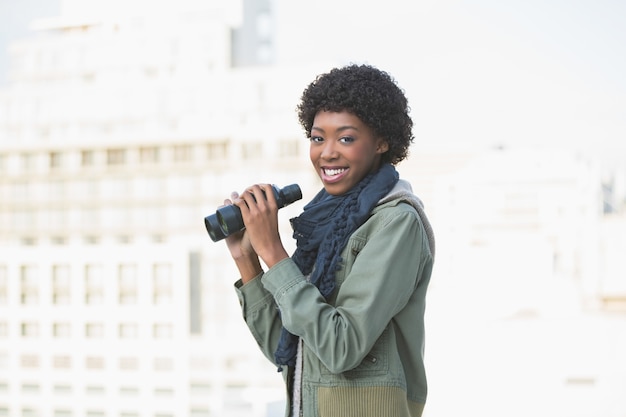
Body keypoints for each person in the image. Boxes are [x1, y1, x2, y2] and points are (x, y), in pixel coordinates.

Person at [221, 64, 435, 417]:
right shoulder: (322, 224)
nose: (327, 153)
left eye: (346, 138)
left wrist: (273, 250)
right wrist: (248, 258)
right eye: (318, 138)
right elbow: (287, 347)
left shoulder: (397, 222)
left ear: (382, 142)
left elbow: (341, 348)